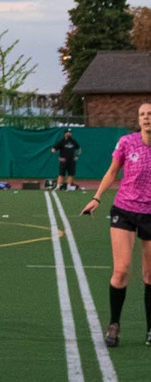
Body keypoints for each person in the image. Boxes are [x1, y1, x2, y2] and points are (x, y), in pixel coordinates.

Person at [82, 102, 151, 350]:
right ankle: (114, 325)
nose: (146, 118)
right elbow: (112, 172)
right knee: (121, 270)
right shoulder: (126, 143)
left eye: (150, 114)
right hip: (123, 211)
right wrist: (96, 197)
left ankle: (150, 328)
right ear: (138, 119)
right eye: (143, 114)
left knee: (149, 275)